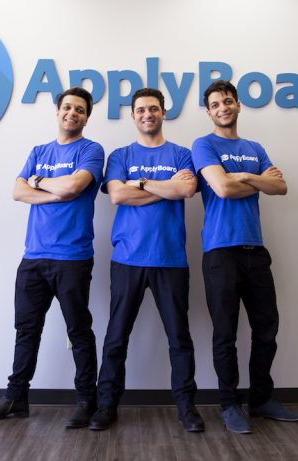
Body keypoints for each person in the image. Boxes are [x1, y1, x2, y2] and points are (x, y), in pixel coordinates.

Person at [0, 87, 104, 429]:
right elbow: (18, 191)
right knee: (26, 330)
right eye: (67, 107)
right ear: (58, 112)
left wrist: (40, 183)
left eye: (79, 109)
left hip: (73, 257)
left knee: (78, 330)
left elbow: (75, 187)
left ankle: (86, 400)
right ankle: (16, 398)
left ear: (86, 117)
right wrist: (52, 192)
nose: (72, 113)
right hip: (33, 257)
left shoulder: (91, 150)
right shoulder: (39, 150)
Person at [191, 80, 298, 434]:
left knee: (266, 328)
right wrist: (256, 180)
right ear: (208, 112)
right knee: (225, 333)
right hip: (220, 252)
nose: (222, 107)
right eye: (215, 104)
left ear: (238, 106)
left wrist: (242, 175)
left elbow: (281, 187)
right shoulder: (203, 144)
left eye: (228, 101)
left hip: (256, 251)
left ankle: (260, 399)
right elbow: (221, 188)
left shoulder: (254, 147)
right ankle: (228, 404)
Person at [88, 88, 203, 433]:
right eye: (141, 110)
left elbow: (184, 190)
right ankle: (106, 405)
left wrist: (139, 185)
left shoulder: (182, 154)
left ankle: (186, 407)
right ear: (133, 115)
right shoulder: (120, 155)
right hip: (127, 258)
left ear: (163, 113)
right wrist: (159, 186)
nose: (147, 114)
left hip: (171, 259)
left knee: (179, 338)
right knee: (116, 337)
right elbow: (118, 195)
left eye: (153, 109)